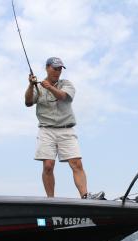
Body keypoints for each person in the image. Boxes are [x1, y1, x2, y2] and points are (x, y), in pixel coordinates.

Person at [24, 57, 98, 199]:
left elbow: (63, 96)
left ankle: (85, 196)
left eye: (60, 69)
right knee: (48, 165)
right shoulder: (37, 86)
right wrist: (30, 85)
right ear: (47, 68)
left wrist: (49, 87)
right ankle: (50, 200)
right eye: (55, 68)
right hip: (46, 129)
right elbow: (28, 102)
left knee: (76, 163)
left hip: (66, 129)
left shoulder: (66, 84)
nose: (57, 72)